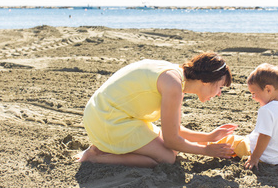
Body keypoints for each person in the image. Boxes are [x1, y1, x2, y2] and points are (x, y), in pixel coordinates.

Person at [78, 52, 237, 168]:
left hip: (108, 114)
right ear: (206, 81)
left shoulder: (176, 78)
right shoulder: (173, 85)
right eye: (219, 87)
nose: (219, 93)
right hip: (107, 119)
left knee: (171, 151)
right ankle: (95, 157)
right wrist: (206, 150)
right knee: (167, 157)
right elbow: (171, 140)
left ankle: (105, 149)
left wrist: (209, 137)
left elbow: (175, 130)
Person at [209, 63, 278, 170]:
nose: (253, 97)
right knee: (247, 138)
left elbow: (265, 136)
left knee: (231, 140)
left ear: (268, 89)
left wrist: (254, 158)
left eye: (254, 93)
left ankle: (207, 146)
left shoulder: (266, 110)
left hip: (264, 157)